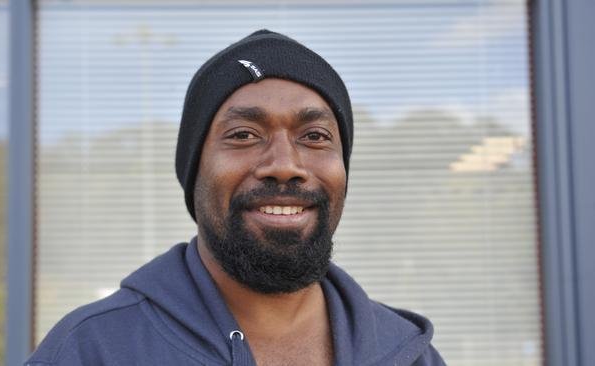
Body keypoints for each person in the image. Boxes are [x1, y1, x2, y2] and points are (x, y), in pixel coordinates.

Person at [25, 29, 446, 366]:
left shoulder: (408, 354)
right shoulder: (93, 350)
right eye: (244, 135)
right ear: (195, 172)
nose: (285, 164)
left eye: (314, 137)